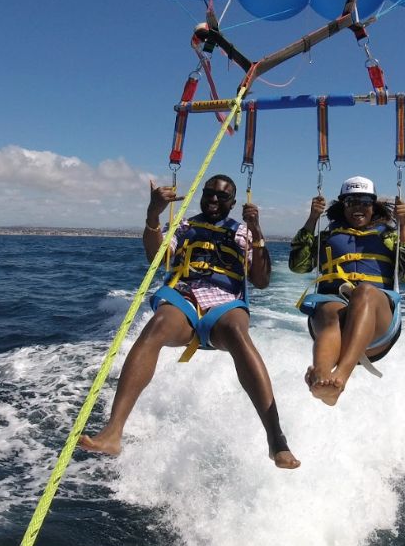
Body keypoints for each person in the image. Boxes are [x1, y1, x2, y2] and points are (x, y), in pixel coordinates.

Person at [80, 175, 300, 469]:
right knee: (156, 324)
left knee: (237, 331)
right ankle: (113, 432)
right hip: (185, 299)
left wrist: (257, 230)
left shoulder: (241, 232)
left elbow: (260, 281)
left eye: (222, 197)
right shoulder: (184, 227)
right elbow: (156, 258)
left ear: (233, 203)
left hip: (224, 305)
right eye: (209, 193)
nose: (213, 199)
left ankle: (276, 440)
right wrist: (153, 213)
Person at [288, 176, 405, 406]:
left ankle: (340, 378)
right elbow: (298, 265)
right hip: (334, 312)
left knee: (365, 292)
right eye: (351, 202)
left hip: (378, 323)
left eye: (365, 202)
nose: (358, 208)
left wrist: (404, 226)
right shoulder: (328, 237)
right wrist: (312, 219)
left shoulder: (389, 236)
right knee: (330, 310)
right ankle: (320, 378)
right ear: (343, 206)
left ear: (373, 206)